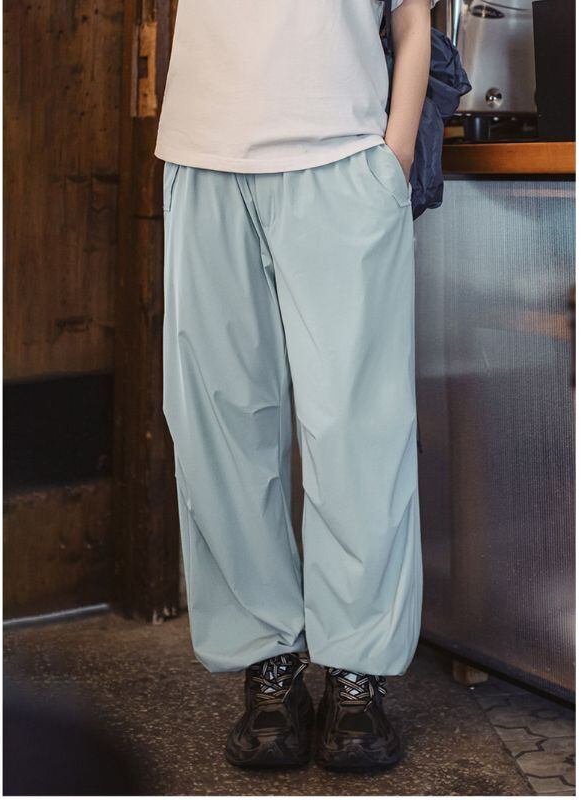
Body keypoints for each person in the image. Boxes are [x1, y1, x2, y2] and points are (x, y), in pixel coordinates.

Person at [155, 0, 435, 770]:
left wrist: (394, 156)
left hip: (343, 157)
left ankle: (357, 672)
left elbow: (413, 16)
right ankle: (268, 665)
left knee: (357, 430)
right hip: (204, 152)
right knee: (220, 429)